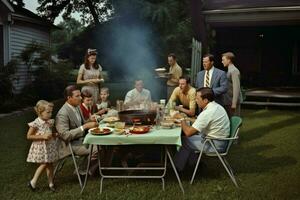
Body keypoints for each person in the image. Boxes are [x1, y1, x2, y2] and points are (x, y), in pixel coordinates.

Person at [174, 87, 230, 172]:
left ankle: (177, 169)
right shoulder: (216, 106)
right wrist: (187, 120)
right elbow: (200, 122)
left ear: (205, 100)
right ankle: (193, 164)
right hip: (219, 140)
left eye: (197, 98)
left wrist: (182, 119)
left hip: (215, 145)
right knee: (186, 139)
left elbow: (188, 132)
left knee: (183, 140)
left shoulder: (208, 112)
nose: (196, 100)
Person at [55, 85, 98, 173]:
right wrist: (85, 127)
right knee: (99, 147)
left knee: (104, 143)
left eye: (80, 95)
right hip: (71, 144)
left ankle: (94, 169)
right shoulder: (62, 113)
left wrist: (89, 120)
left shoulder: (77, 106)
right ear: (69, 98)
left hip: (82, 139)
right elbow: (65, 135)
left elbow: (81, 124)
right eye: (77, 96)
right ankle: (82, 169)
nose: (81, 98)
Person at [26, 100, 58, 192]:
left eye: (51, 112)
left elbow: (50, 132)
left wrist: (54, 135)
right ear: (40, 112)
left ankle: (51, 183)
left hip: (49, 146)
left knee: (50, 164)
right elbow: (29, 136)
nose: (50, 114)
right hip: (41, 147)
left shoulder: (49, 122)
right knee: (44, 163)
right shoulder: (36, 123)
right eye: (48, 112)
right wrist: (42, 136)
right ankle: (33, 182)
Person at [222, 52, 242, 117]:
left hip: (232, 102)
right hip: (228, 101)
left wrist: (234, 103)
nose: (222, 62)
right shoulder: (230, 70)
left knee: (234, 122)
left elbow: (236, 87)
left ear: (229, 60)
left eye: (223, 60)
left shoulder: (234, 71)